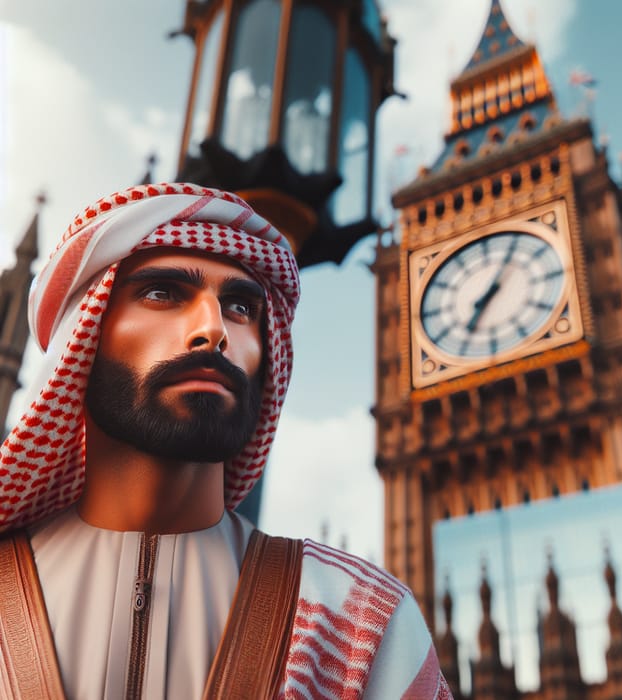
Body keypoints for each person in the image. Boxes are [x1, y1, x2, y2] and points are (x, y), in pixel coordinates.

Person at [0, 183, 452, 699]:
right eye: (162, 294)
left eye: (240, 307)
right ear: (85, 338)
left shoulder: (362, 624)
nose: (213, 329)